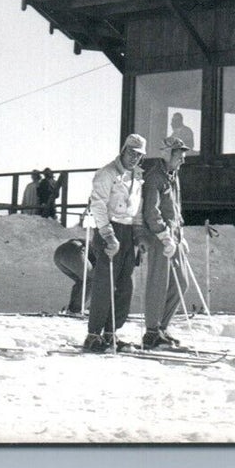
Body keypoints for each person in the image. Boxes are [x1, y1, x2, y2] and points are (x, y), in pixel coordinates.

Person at [83, 134, 146, 352]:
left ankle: (111, 333)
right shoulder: (107, 173)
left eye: (138, 155)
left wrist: (139, 235)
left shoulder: (138, 177)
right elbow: (98, 204)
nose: (134, 158)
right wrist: (108, 235)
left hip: (128, 232)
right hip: (110, 228)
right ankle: (93, 335)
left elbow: (137, 209)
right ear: (123, 150)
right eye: (131, 152)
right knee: (105, 284)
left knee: (126, 285)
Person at [139, 138, 191, 349]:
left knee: (182, 282)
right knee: (158, 283)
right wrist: (163, 235)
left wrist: (181, 235)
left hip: (175, 234)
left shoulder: (173, 176)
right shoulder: (154, 178)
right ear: (168, 154)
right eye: (179, 155)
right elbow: (152, 210)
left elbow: (175, 209)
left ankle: (162, 327)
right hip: (160, 237)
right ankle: (152, 331)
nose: (183, 160)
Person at [52, 237, 96, 315]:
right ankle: (74, 310)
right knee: (92, 280)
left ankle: (72, 309)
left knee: (82, 281)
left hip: (58, 254)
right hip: (75, 250)